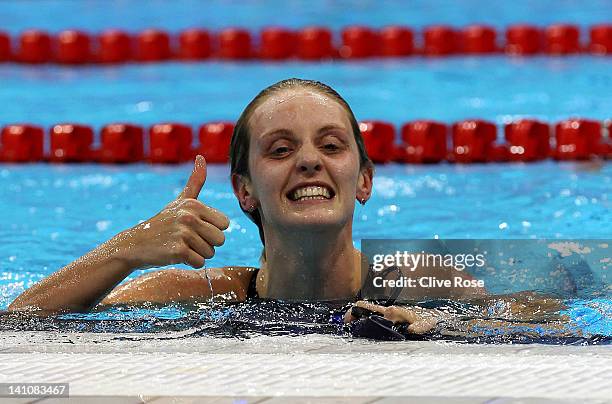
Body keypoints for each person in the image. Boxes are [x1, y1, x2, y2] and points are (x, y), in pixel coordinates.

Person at [8, 78, 484, 334]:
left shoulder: (420, 282)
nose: (309, 162)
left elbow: (544, 320)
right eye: (280, 150)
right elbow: (16, 325)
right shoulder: (202, 294)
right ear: (244, 190)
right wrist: (125, 251)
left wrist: (443, 325)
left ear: (363, 179)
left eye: (333, 146)